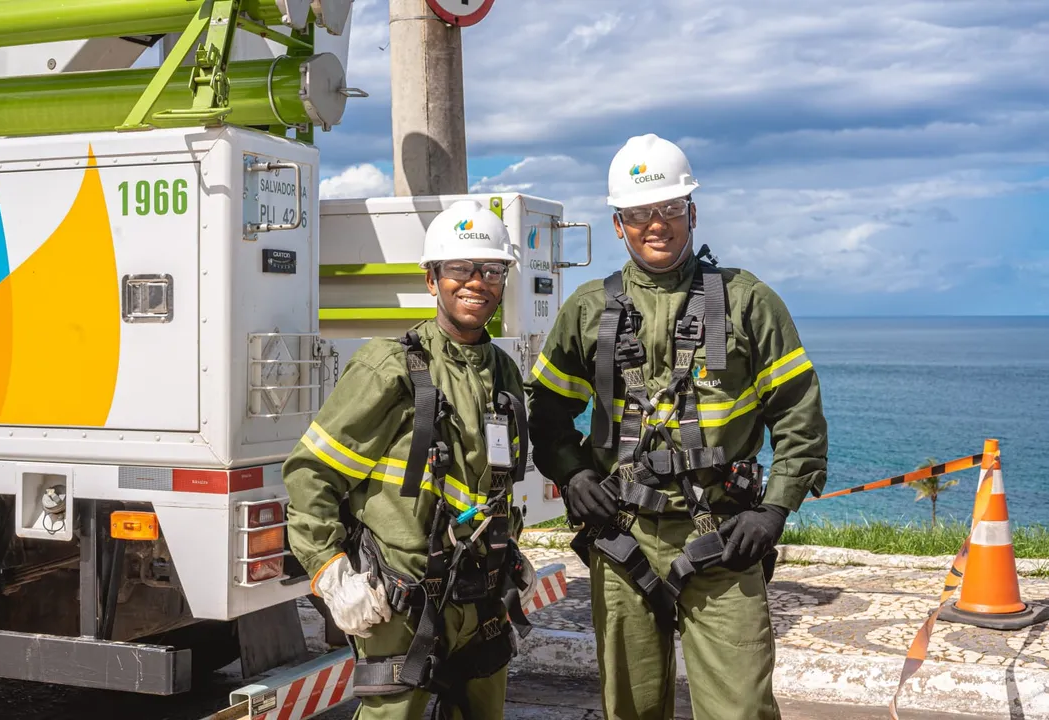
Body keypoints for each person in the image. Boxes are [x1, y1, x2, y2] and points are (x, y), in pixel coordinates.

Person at [525, 133, 828, 720]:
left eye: (668, 209)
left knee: (740, 708)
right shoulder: (589, 310)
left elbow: (798, 412)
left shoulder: (747, 302)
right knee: (630, 709)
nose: (655, 224)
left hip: (723, 537)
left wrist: (776, 509)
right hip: (622, 537)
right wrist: (574, 474)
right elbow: (547, 410)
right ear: (619, 225)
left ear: (691, 211)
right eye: (639, 214)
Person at [283, 199, 538, 720]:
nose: (476, 282)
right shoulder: (391, 366)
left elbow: (496, 479)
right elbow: (312, 472)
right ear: (431, 279)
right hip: (403, 601)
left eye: (491, 269)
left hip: (483, 592)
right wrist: (330, 570)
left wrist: (509, 547)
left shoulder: (505, 373)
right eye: (459, 268)